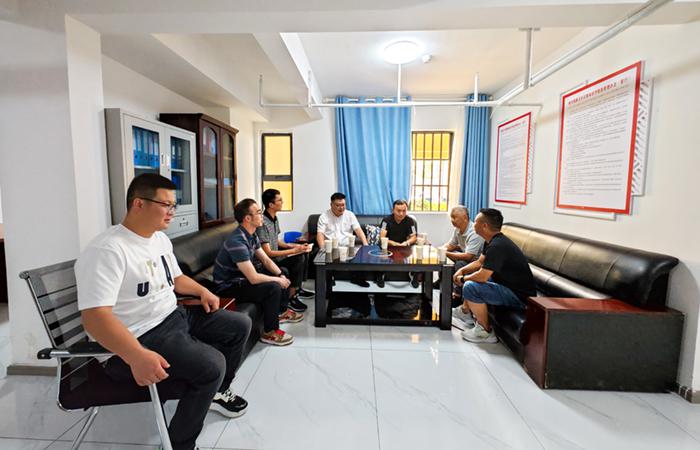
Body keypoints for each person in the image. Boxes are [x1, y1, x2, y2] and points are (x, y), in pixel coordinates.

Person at [75, 174, 251, 450]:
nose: (172, 212)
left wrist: (202, 291)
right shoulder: (108, 250)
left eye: (174, 205)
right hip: (139, 336)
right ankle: (180, 444)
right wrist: (135, 355)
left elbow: (176, 278)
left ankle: (217, 392)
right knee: (212, 365)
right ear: (138, 204)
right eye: (165, 205)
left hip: (173, 316)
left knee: (239, 325)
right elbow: (95, 318)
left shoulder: (158, 239)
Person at [213, 198, 302, 346]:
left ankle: (281, 312)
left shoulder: (251, 235)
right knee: (273, 287)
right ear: (247, 218)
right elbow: (253, 278)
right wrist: (278, 280)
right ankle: (270, 332)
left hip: (242, 279)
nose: (262, 216)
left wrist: (280, 275)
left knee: (283, 271)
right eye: (259, 213)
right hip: (228, 287)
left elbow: (265, 260)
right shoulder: (237, 241)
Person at [452, 208, 536, 343]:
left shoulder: (498, 246)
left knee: (470, 286)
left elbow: (482, 276)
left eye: (476, 222)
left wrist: (463, 279)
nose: (473, 224)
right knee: (472, 278)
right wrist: (462, 271)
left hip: (519, 296)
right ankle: (465, 311)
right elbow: (480, 262)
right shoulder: (491, 241)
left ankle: (485, 332)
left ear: (484, 226)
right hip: (505, 284)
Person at [257, 188, 313, 312]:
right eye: (280, 200)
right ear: (271, 204)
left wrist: (293, 246)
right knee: (298, 258)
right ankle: (291, 298)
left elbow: (275, 240)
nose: (282, 202)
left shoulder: (274, 218)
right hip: (269, 261)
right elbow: (268, 253)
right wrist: (294, 251)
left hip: (276, 257)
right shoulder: (262, 223)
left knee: (303, 252)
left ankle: (297, 289)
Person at [317, 192, 370, 287]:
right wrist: (322, 249)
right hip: (332, 247)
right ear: (331, 204)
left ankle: (357, 278)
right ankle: (329, 280)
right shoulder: (324, 216)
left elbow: (358, 231)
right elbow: (320, 234)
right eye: (338, 205)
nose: (341, 208)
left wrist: (365, 245)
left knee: (361, 253)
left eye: (343, 205)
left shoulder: (350, 215)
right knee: (324, 256)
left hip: (348, 247)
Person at [433, 206, 485, 294]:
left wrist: (445, 253)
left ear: (465, 218)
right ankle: (441, 282)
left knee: (459, 263)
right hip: (466, 255)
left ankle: (458, 292)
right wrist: (440, 250)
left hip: (474, 261)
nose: (452, 220)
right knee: (445, 258)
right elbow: (451, 245)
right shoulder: (457, 229)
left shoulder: (474, 232)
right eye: (451, 217)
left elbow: (468, 256)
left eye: (454, 217)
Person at [377, 199, 419, 288]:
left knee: (415, 253)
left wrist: (406, 243)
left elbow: (414, 237)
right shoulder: (386, 220)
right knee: (381, 249)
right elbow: (382, 237)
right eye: (398, 211)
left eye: (404, 211)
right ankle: (380, 275)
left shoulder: (410, 221)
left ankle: (414, 276)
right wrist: (393, 243)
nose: (401, 213)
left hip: (404, 247)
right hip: (389, 246)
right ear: (393, 210)